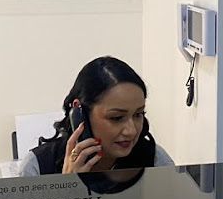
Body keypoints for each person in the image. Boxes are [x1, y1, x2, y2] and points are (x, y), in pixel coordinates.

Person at [19, 56, 173, 176]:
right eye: (116, 118)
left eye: (138, 114)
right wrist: (68, 187)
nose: (131, 131)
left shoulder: (155, 160)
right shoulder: (37, 166)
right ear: (80, 114)